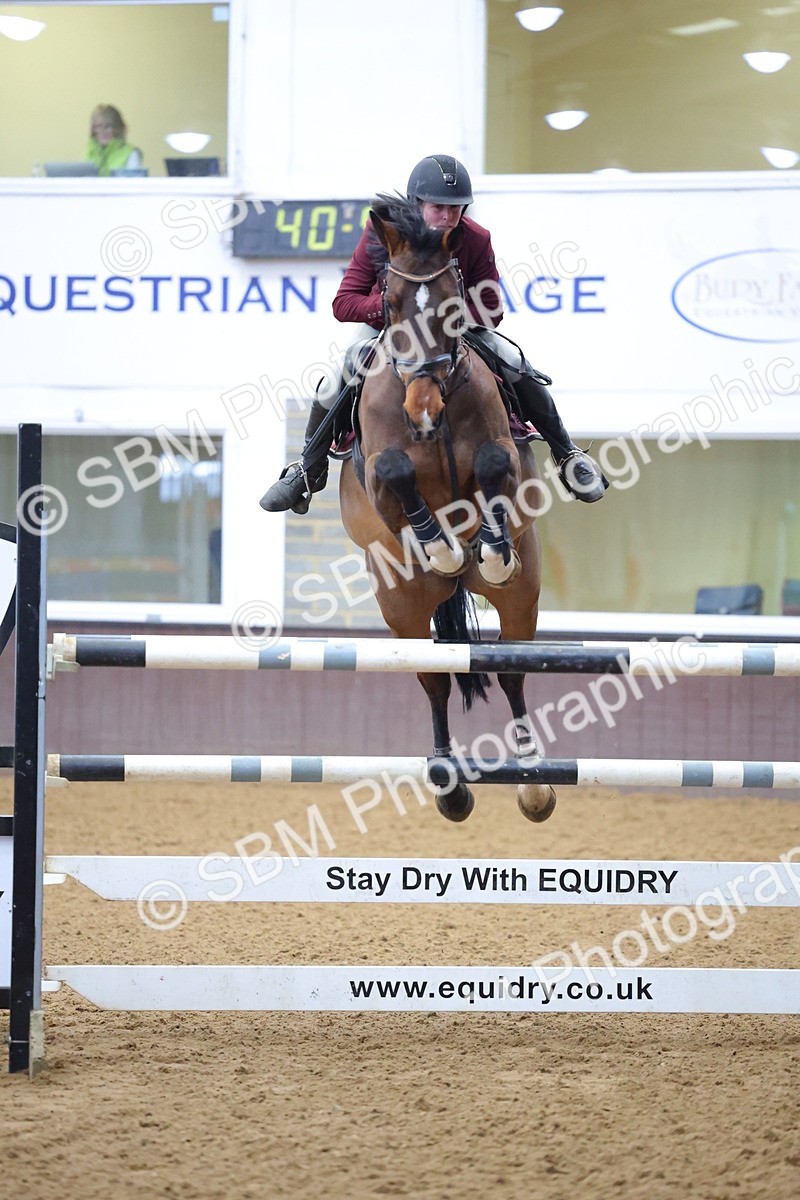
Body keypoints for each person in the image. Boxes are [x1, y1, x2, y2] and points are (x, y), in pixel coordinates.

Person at [260, 154, 606, 514]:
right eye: (438, 207)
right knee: (338, 375)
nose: (447, 217)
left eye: (456, 209)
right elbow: (344, 302)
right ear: (417, 205)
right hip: (392, 328)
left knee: (513, 360)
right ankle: (306, 469)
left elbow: (491, 307)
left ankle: (567, 454)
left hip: (454, 333)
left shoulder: (474, 238)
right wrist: (393, 311)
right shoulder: (383, 235)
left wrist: (445, 323)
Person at [85, 105, 142, 176]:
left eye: (108, 126)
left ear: (117, 129)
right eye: (98, 126)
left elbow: (134, 185)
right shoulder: (89, 153)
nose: (103, 131)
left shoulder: (130, 154)